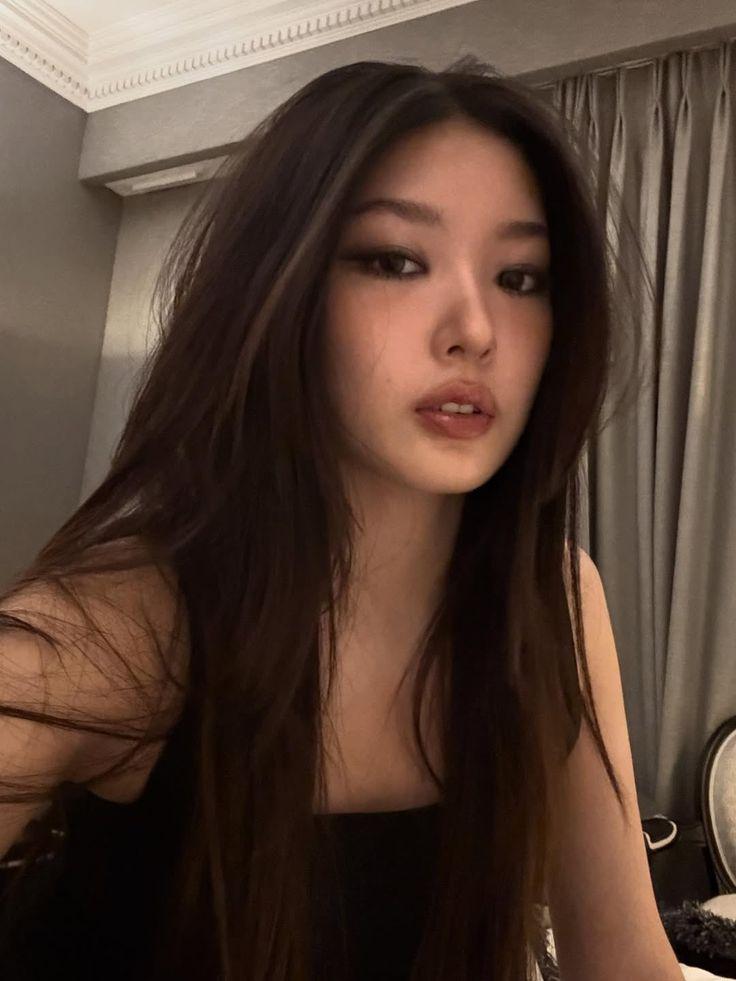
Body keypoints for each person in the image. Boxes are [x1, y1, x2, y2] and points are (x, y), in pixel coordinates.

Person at [0, 55, 647, 980]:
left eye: (521, 277)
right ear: (284, 287)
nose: (476, 330)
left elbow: (627, 964)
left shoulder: (557, 603)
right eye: (395, 262)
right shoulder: (128, 625)